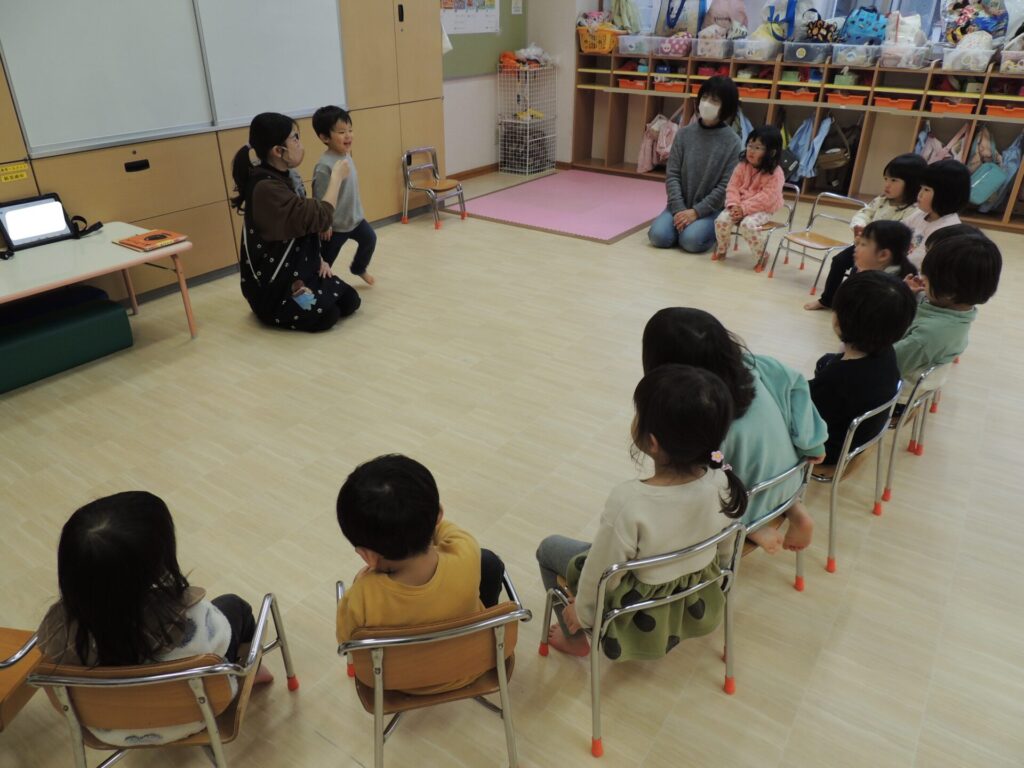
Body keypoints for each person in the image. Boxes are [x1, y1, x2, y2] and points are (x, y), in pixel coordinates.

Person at [535, 364, 747, 660]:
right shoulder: (724, 482)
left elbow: (601, 572)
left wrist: (583, 615)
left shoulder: (629, 501)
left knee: (548, 549)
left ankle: (576, 640)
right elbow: (725, 554)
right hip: (698, 598)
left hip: (637, 614)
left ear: (653, 442)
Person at [35, 492, 270, 746]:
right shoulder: (188, 617)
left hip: (109, 728)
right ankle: (255, 671)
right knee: (234, 605)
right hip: (195, 717)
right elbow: (221, 640)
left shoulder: (56, 632)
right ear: (155, 564)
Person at [642, 308, 827, 554]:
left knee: (695, 481)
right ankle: (795, 509)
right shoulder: (758, 365)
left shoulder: (693, 413)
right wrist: (813, 442)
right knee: (749, 464)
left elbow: (692, 478)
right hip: (791, 477)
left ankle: (751, 527)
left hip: (746, 502)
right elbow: (797, 387)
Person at [335, 454, 506, 693]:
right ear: (438, 516)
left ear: (367, 555)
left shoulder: (361, 596)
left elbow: (348, 646)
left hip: (400, 683)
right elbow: (442, 526)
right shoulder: (466, 550)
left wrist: (361, 579)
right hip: (472, 666)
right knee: (488, 561)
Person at [230, 112, 360, 332]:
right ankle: (272, 310)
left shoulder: (286, 176)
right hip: (276, 285)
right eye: (295, 138)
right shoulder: (266, 188)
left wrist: (320, 259)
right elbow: (320, 216)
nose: (300, 144)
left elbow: (303, 224)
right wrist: (336, 177)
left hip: (301, 269)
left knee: (350, 301)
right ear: (278, 151)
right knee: (327, 316)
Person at [809, 271, 917, 464]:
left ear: (838, 322)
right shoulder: (887, 351)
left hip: (827, 450)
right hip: (860, 437)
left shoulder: (837, 378)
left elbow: (805, 419)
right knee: (825, 361)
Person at [805, 153, 925, 311]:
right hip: (867, 245)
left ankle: (851, 305)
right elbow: (864, 213)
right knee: (839, 261)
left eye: (894, 180)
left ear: (912, 183)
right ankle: (827, 300)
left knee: (859, 273)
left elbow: (901, 234)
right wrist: (860, 227)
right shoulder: (881, 200)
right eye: (886, 179)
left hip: (886, 254)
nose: (887, 185)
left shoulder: (914, 210)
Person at [648, 76, 743, 253]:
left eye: (714, 101)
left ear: (726, 106)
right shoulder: (684, 134)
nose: (706, 104)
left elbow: (726, 186)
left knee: (690, 241)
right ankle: (682, 225)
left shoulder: (733, 142)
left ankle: (712, 231)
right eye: (704, 98)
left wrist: (696, 212)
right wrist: (679, 209)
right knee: (658, 236)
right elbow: (672, 175)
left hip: (710, 210)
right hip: (679, 205)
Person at [895, 232, 1002, 381]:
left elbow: (885, 365)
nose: (921, 282)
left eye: (927, 281)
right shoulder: (957, 310)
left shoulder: (927, 337)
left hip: (892, 382)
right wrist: (908, 296)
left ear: (950, 293)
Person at [311, 106, 376, 287]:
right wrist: (325, 224)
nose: (348, 135)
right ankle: (316, 286)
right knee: (325, 261)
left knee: (370, 239)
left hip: (354, 219)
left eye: (350, 130)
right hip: (335, 227)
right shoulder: (324, 166)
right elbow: (320, 198)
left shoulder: (346, 155)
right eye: (341, 132)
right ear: (325, 137)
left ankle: (358, 268)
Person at [713, 125, 785, 262]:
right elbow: (732, 187)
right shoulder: (742, 166)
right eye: (750, 145)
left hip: (763, 208)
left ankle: (762, 255)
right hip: (738, 205)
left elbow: (766, 198)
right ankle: (722, 248)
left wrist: (744, 208)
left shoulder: (776, 173)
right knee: (721, 220)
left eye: (758, 148)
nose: (751, 150)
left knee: (747, 225)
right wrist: (734, 205)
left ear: (771, 152)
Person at [904, 159, 971, 270]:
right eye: (921, 188)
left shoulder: (948, 229)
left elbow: (919, 261)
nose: (920, 194)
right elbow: (898, 232)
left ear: (945, 195)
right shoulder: (919, 214)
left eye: (926, 189)